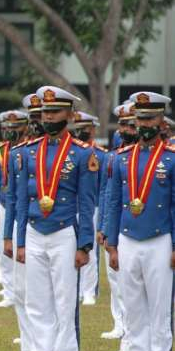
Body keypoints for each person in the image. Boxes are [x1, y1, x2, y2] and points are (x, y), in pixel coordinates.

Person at [15, 86, 96, 351]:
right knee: (36, 303)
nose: (49, 117)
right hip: (35, 230)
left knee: (64, 304)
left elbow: (87, 203)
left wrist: (84, 244)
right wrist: (20, 241)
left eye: (55, 112)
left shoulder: (82, 153)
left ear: (70, 115)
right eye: (45, 112)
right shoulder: (27, 151)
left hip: (64, 231)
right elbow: (21, 200)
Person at [106, 91, 174, 351]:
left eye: (150, 118)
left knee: (159, 305)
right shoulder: (121, 158)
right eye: (140, 118)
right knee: (132, 303)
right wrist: (111, 242)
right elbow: (112, 200)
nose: (144, 123)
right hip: (127, 237)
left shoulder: (170, 159)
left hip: (160, 237)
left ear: (161, 122)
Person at [2, 95, 43, 351]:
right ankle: (28, 348)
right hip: (23, 228)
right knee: (20, 291)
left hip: (53, 226)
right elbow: (13, 200)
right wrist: (8, 236)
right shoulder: (20, 154)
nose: (39, 123)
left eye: (44, 116)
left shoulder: (69, 152)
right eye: (36, 117)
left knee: (45, 296)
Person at [97, 102, 137, 351]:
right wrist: (103, 226)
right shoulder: (113, 157)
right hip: (117, 226)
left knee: (137, 290)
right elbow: (106, 194)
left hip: (143, 228)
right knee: (117, 283)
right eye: (122, 124)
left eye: (130, 124)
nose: (124, 130)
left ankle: (135, 339)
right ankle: (122, 330)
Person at [0, 111, 27, 309]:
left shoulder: (29, 149)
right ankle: (8, 291)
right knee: (4, 250)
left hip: (26, 205)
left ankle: (23, 291)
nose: (11, 132)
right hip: (4, 203)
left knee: (25, 251)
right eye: (7, 128)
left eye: (15, 128)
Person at [71, 111, 105, 306]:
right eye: (77, 128)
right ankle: (76, 289)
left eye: (83, 128)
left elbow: (102, 187)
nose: (80, 131)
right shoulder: (73, 152)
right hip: (71, 206)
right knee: (70, 250)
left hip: (92, 207)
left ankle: (89, 290)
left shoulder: (100, 154)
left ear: (92, 129)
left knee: (88, 248)